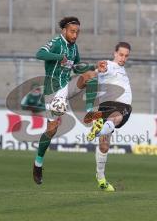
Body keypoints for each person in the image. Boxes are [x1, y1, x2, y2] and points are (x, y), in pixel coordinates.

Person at [33, 16, 105, 184]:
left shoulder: (74, 48)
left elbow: (77, 67)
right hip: (53, 91)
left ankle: (89, 114)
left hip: (67, 87)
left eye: (77, 32)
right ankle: (38, 164)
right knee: (51, 130)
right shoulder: (57, 43)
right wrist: (59, 57)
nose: (75, 35)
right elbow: (39, 53)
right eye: (72, 31)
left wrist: (95, 67)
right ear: (64, 30)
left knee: (91, 77)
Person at [84, 42, 132, 191]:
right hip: (115, 106)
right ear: (115, 53)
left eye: (126, 55)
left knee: (105, 145)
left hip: (109, 107)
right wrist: (98, 70)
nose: (123, 58)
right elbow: (101, 68)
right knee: (113, 124)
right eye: (121, 54)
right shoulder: (110, 65)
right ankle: (98, 130)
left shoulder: (121, 69)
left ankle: (100, 178)